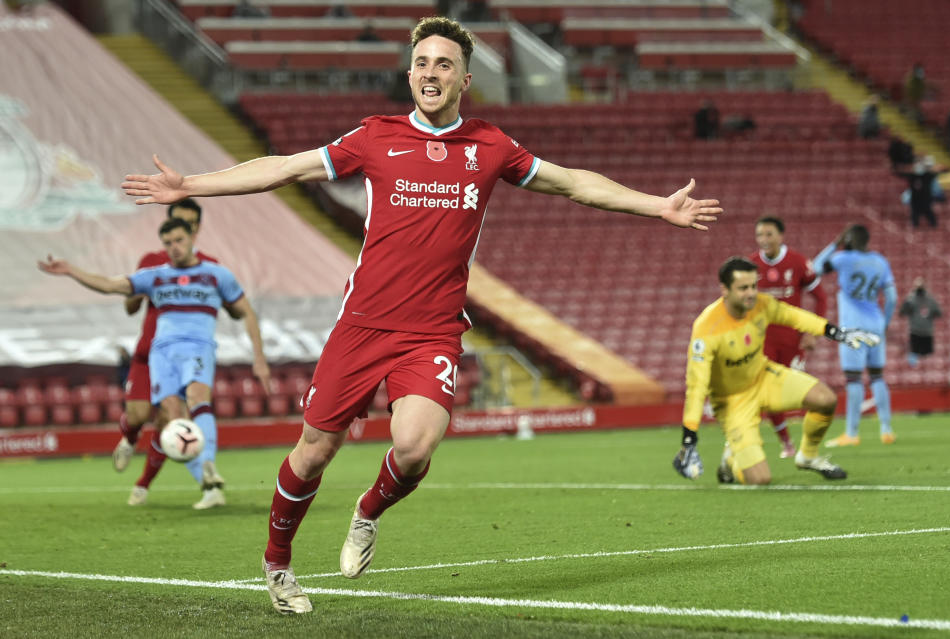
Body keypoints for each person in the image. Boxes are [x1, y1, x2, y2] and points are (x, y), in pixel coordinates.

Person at [121, 16, 722, 615]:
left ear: (464, 79)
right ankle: (277, 564)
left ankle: (367, 512)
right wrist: (191, 184)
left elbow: (570, 184)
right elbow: (285, 166)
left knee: (413, 448)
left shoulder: (491, 147)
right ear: (409, 74)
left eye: (444, 65)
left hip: (432, 330)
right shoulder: (375, 136)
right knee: (312, 452)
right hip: (362, 323)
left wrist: (656, 206)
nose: (431, 73)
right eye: (422, 63)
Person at [37, 217, 271, 507]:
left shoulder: (217, 275)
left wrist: (259, 357)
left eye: (179, 240)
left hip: (198, 347)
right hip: (161, 352)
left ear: (192, 239)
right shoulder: (156, 276)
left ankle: (208, 464)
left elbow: (246, 311)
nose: (174, 247)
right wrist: (72, 271)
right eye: (168, 243)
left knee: (199, 398)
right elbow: (111, 285)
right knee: (171, 416)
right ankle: (207, 483)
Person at [672, 257, 879, 486]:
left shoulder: (762, 305)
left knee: (825, 399)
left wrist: (835, 332)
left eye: (753, 286)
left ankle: (808, 456)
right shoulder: (706, 328)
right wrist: (689, 439)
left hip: (764, 377)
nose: (751, 293)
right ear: (724, 290)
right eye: (743, 288)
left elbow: (794, 316)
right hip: (733, 401)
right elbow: (697, 386)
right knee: (760, 480)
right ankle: (730, 462)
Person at [112, 199, 223, 507]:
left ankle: (146, 485)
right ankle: (130, 437)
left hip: (185, 356)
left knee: (169, 422)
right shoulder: (152, 261)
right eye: (177, 221)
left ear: (196, 228)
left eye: (188, 224)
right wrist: (139, 288)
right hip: (150, 352)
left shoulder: (209, 265)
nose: (182, 228)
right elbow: (130, 305)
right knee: (138, 414)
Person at [749, 216, 827, 458]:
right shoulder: (749, 266)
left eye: (769, 234)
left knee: (801, 393)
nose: (764, 239)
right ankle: (787, 443)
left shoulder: (798, 262)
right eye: (760, 235)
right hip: (763, 341)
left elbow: (821, 298)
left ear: (781, 235)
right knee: (768, 393)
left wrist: (812, 332)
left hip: (792, 340)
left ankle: (810, 443)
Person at [812, 224, 897, 446]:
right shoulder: (880, 261)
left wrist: (834, 244)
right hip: (876, 324)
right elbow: (892, 297)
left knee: (854, 379)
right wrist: (885, 323)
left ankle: (852, 433)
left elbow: (816, 267)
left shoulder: (843, 258)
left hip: (852, 327)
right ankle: (887, 430)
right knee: (878, 376)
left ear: (849, 239)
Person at [894, 155, 950, 228]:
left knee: (933, 222)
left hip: (926, 202)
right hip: (915, 202)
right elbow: (899, 172)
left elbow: (943, 170)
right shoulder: (912, 176)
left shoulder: (928, 175)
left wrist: (938, 168)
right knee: (914, 223)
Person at [899, 277, 942, 368]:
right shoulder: (911, 299)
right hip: (915, 332)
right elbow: (902, 312)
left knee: (928, 359)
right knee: (915, 357)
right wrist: (907, 302)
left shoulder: (930, 300)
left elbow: (938, 313)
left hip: (927, 333)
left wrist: (930, 314)